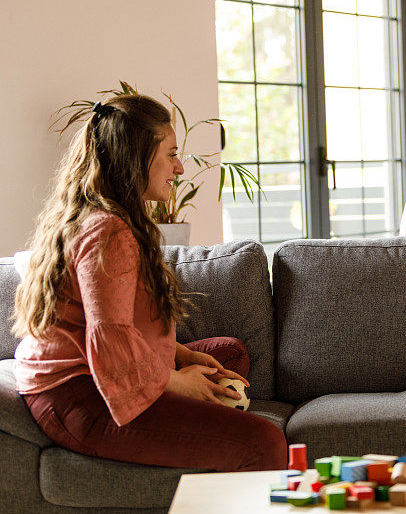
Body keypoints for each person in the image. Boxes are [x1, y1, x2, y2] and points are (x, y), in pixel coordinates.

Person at [12, 94, 287, 471]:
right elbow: (109, 335)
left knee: (230, 353)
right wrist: (176, 382)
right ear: (136, 156)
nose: (179, 168)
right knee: (263, 442)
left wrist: (183, 356)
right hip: (79, 395)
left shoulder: (112, 218)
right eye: (171, 154)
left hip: (88, 375)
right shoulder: (109, 231)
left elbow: (122, 317)